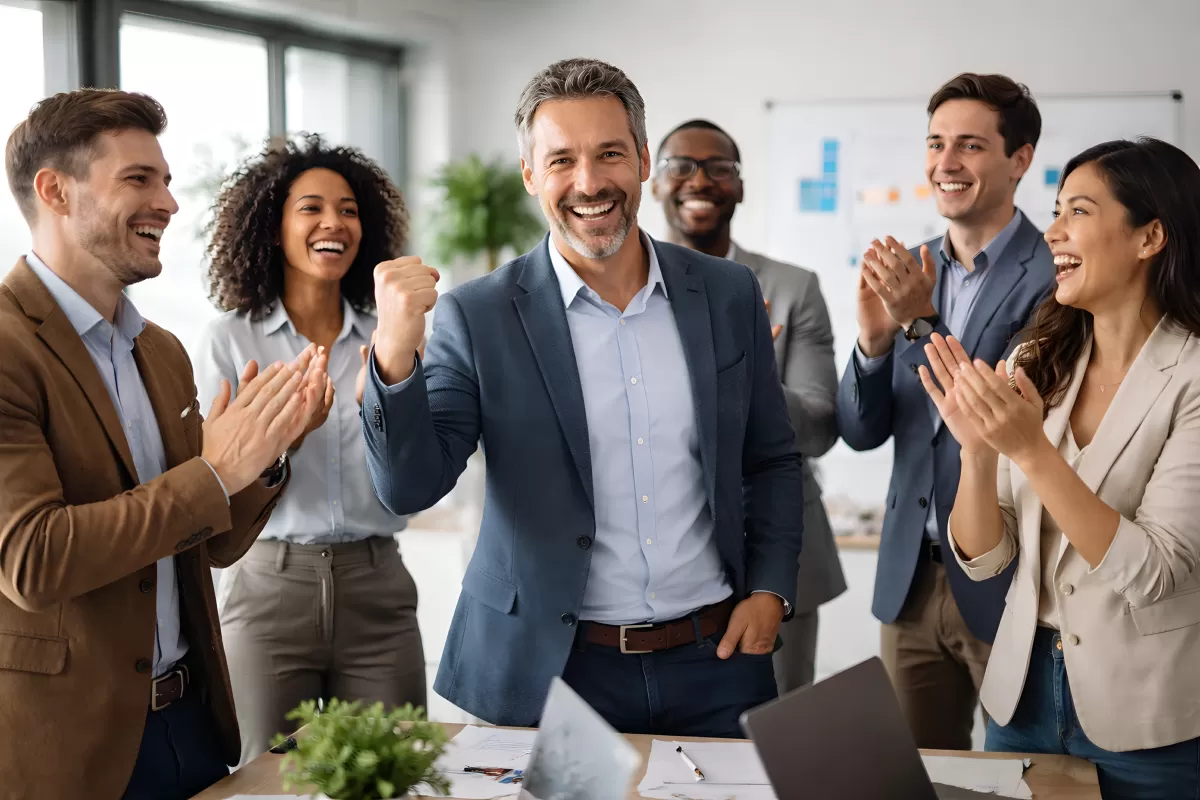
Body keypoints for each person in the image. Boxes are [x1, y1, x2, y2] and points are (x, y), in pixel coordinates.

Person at [363, 58, 803, 737]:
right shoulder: (477, 316)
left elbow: (770, 459)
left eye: (609, 154)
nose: (590, 182)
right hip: (550, 670)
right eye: (562, 160)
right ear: (530, 175)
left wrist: (771, 589)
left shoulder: (726, 293)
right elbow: (409, 487)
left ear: (644, 161)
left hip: (715, 660)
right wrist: (394, 354)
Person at [0, 89, 327, 800]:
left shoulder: (163, 351)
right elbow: (33, 558)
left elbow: (207, 544)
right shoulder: (5, 346)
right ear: (55, 191)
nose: (169, 203)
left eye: (167, 181)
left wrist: (267, 451)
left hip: (193, 727)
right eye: (138, 180)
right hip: (73, 751)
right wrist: (217, 470)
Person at [922, 137, 1200, 799]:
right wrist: (978, 454)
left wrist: (1029, 452)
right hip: (1021, 703)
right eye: (1055, 212)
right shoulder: (1038, 360)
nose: (1052, 232)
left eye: (1077, 211)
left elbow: (1156, 572)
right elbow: (989, 560)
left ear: (1150, 236)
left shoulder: (1191, 376)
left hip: (1148, 717)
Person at [835, 72, 1055, 749]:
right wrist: (874, 344)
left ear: (1019, 160)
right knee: (916, 775)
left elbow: (1002, 412)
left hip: (1012, 576)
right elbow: (861, 431)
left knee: (1025, 773)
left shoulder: (1056, 270)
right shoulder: (912, 266)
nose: (945, 164)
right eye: (935, 144)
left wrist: (918, 321)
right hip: (909, 580)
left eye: (970, 145)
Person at [195, 134, 426, 766]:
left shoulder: (391, 334)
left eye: (349, 209)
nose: (334, 222)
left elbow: (418, 463)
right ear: (273, 229)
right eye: (312, 208)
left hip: (377, 587)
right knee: (265, 779)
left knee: (392, 772)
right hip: (267, 590)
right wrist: (283, 441)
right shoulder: (229, 340)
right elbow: (210, 485)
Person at [652, 119, 845, 692]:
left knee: (780, 744)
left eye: (719, 168)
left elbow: (818, 428)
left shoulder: (793, 287)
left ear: (740, 186)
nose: (699, 180)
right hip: (659, 559)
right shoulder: (623, 288)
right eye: (680, 166)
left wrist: (742, 367)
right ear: (653, 181)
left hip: (779, 551)